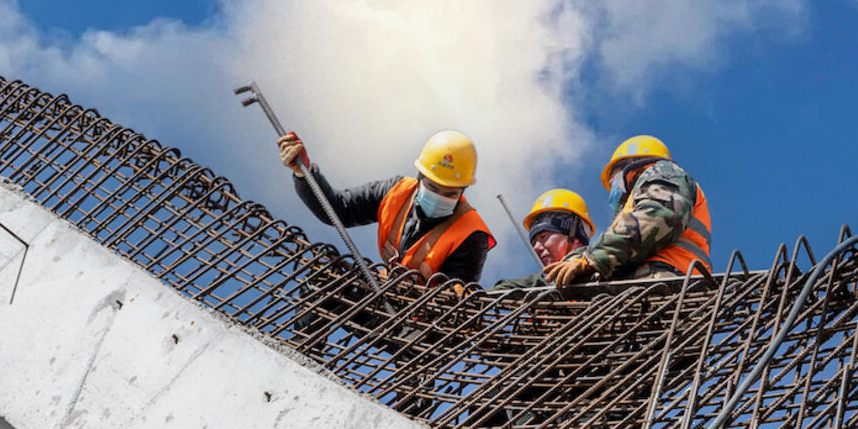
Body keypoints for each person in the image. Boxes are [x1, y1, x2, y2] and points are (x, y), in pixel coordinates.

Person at [277, 129, 495, 284]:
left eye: (450, 193)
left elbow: (452, 306)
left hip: (424, 325)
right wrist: (304, 173)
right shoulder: (395, 193)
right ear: (419, 178)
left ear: (462, 191)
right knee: (321, 282)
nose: (439, 197)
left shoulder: (471, 235)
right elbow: (339, 209)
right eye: (433, 187)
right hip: (383, 296)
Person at [543, 134, 711, 288]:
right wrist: (578, 259)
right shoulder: (631, 207)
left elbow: (657, 218)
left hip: (668, 279)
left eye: (613, 178)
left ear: (631, 165)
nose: (613, 185)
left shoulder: (664, 173)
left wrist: (593, 258)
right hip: (650, 284)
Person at [491, 189, 595, 290]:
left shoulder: (598, 265)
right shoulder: (543, 282)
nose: (536, 248)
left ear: (575, 237)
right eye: (533, 243)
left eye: (544, 236)